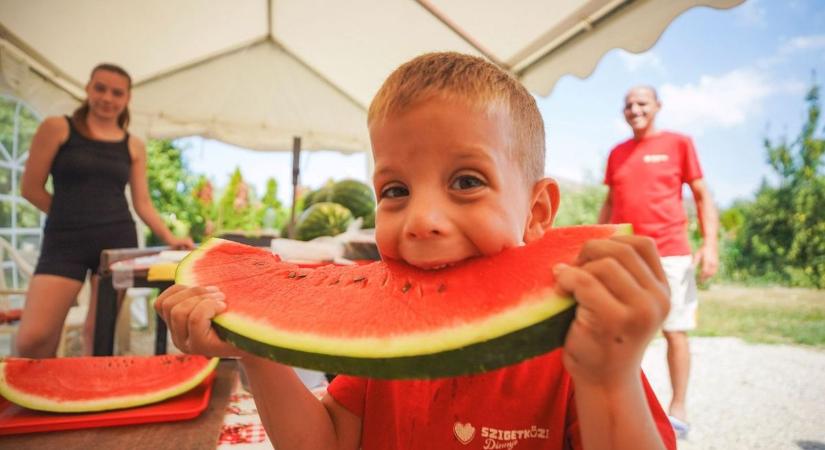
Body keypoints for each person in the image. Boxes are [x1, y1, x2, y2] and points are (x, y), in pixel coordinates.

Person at [156, 52, 676, 449]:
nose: (422, 221)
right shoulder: (381, 334)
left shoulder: (577, 356)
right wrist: (258, 350)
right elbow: (329, 441)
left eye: (467, 181)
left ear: (538, 211)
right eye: (395, 191)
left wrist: (609, 382)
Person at [17, 63, 194, 358]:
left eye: (117, 92)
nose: (107, 98)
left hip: (117, 240)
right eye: (100, 88)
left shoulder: (133, 145)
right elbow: (30, 188)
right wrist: (68, 217)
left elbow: (143, 203)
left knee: (97, 336)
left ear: (127, 99)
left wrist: (169, 236)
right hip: (64, 243)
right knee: (33, 339)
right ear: (87, 89)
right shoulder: (56, 128)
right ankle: (34, 401)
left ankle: (91, 398)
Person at [598, 85, 719, 438]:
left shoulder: (679, 144)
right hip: (626, 253)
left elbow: (701, 195)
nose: (634, 109)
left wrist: (709, 245)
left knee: (674, 330)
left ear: (658, 106)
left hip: (670, 252)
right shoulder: (616, 153)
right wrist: (597, 242)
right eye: (628, 104)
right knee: (620, 332)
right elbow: (610, 201)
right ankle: (622, 405)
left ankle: (677, 409)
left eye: (641, 103)